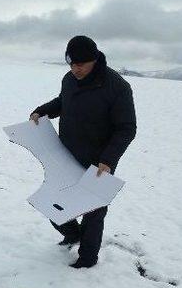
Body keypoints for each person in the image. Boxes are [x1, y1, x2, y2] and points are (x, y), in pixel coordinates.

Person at [30, 36, 136, 269]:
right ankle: (72, 233)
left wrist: (108, 160)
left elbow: (127, 128)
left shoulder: (117, 87)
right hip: (67, 154)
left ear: (94, 60)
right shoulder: (69, 79)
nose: (75, 69)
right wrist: (42, 111)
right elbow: (62, 102)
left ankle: (87, 259)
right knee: (54, 200)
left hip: (100, 161)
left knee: (93, 211)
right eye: (71, 64)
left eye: (81, 64)